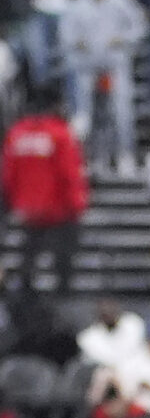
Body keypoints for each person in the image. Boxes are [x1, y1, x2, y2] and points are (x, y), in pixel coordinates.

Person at [57, 0, 144, 176]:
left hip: (115, 65)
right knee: (86, 115)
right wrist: (78, 43)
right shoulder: (78, 3)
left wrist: (122, 39)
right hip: (86, 67)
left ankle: (125, 155)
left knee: (121, 111)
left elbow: (139, 27)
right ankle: (91, 158)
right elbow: (65, 35)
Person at [2, 84, 86, 294]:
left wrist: (13, 202)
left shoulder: (17, 133)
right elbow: (69, 174)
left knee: (29, 256)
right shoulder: (60, 134)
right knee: (63, 259)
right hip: (58, 210)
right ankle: (63, 298)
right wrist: (77, 206)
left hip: (27, 209)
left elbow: (7, 174)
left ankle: (25, 294)